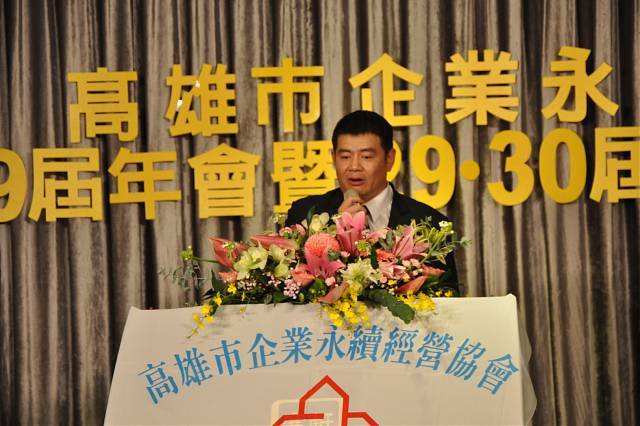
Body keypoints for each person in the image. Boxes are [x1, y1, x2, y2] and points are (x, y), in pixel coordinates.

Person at [285, 110, 460, 295]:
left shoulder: (431, 224)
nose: (354, 167)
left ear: (389, 159)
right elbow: (288, 290)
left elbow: (449, 297)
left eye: (366, 157)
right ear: (333, 157)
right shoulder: (304, 214)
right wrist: (336, 229)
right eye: (345, 157)